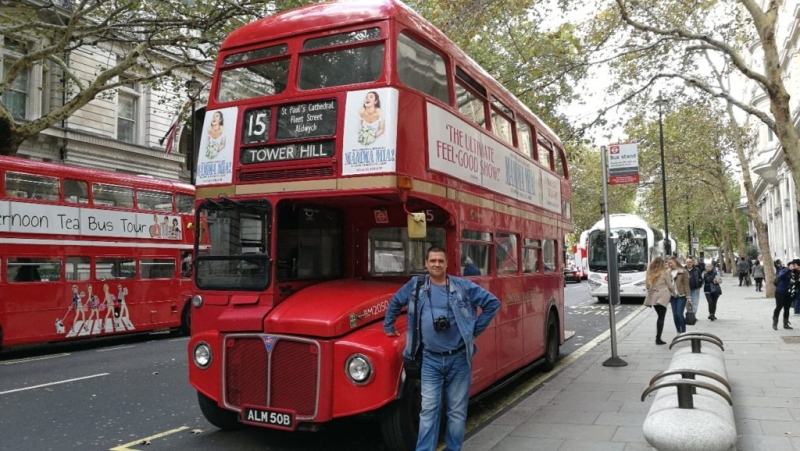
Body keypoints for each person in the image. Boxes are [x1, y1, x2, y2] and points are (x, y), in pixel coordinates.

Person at [383, 246, 500, 451]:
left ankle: (453, 449)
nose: (436, 264)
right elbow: (395, 302)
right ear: (427, 264)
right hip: (430, 359)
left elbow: (492, 303)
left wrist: (473, 331)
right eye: (433, 261)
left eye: (440, 261)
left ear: (447, 264)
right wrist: (388, 326)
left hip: (459, 359)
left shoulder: (463, 287)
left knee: (456, 411)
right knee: (428, 410)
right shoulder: (416, 286)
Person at [643, 257, 673, 345]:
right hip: (663, 296)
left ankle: (658, 338)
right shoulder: (665, 273)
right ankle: (658, 338)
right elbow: (670, 285)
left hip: (653, 296)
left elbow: (647, 286)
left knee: (659, 316)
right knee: (661, 317)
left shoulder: (649, 272)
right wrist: (674, 293)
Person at [667, 256, 690, 333]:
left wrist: (688, 296)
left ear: (676, 262)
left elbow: (686, 285)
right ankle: (678, 330)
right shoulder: (668, 272)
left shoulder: (683, 271)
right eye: (669, 263)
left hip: (681, 295)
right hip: (672, 296)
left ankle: (683, 331)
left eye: (671, 263)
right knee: (675, 315)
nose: (670, 264)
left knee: (679, 313)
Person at [774, 260, 796, 330]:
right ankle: (775, 323)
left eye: (794, 265)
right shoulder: (783, 270)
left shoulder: (795, 273)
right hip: (780, 292)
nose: (793, 267)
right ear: (789, 265)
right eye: (792, 265)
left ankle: (785, 324)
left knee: (787, 309)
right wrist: (788, 270)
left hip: (789, 293)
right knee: (779, 307)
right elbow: (780, 276)